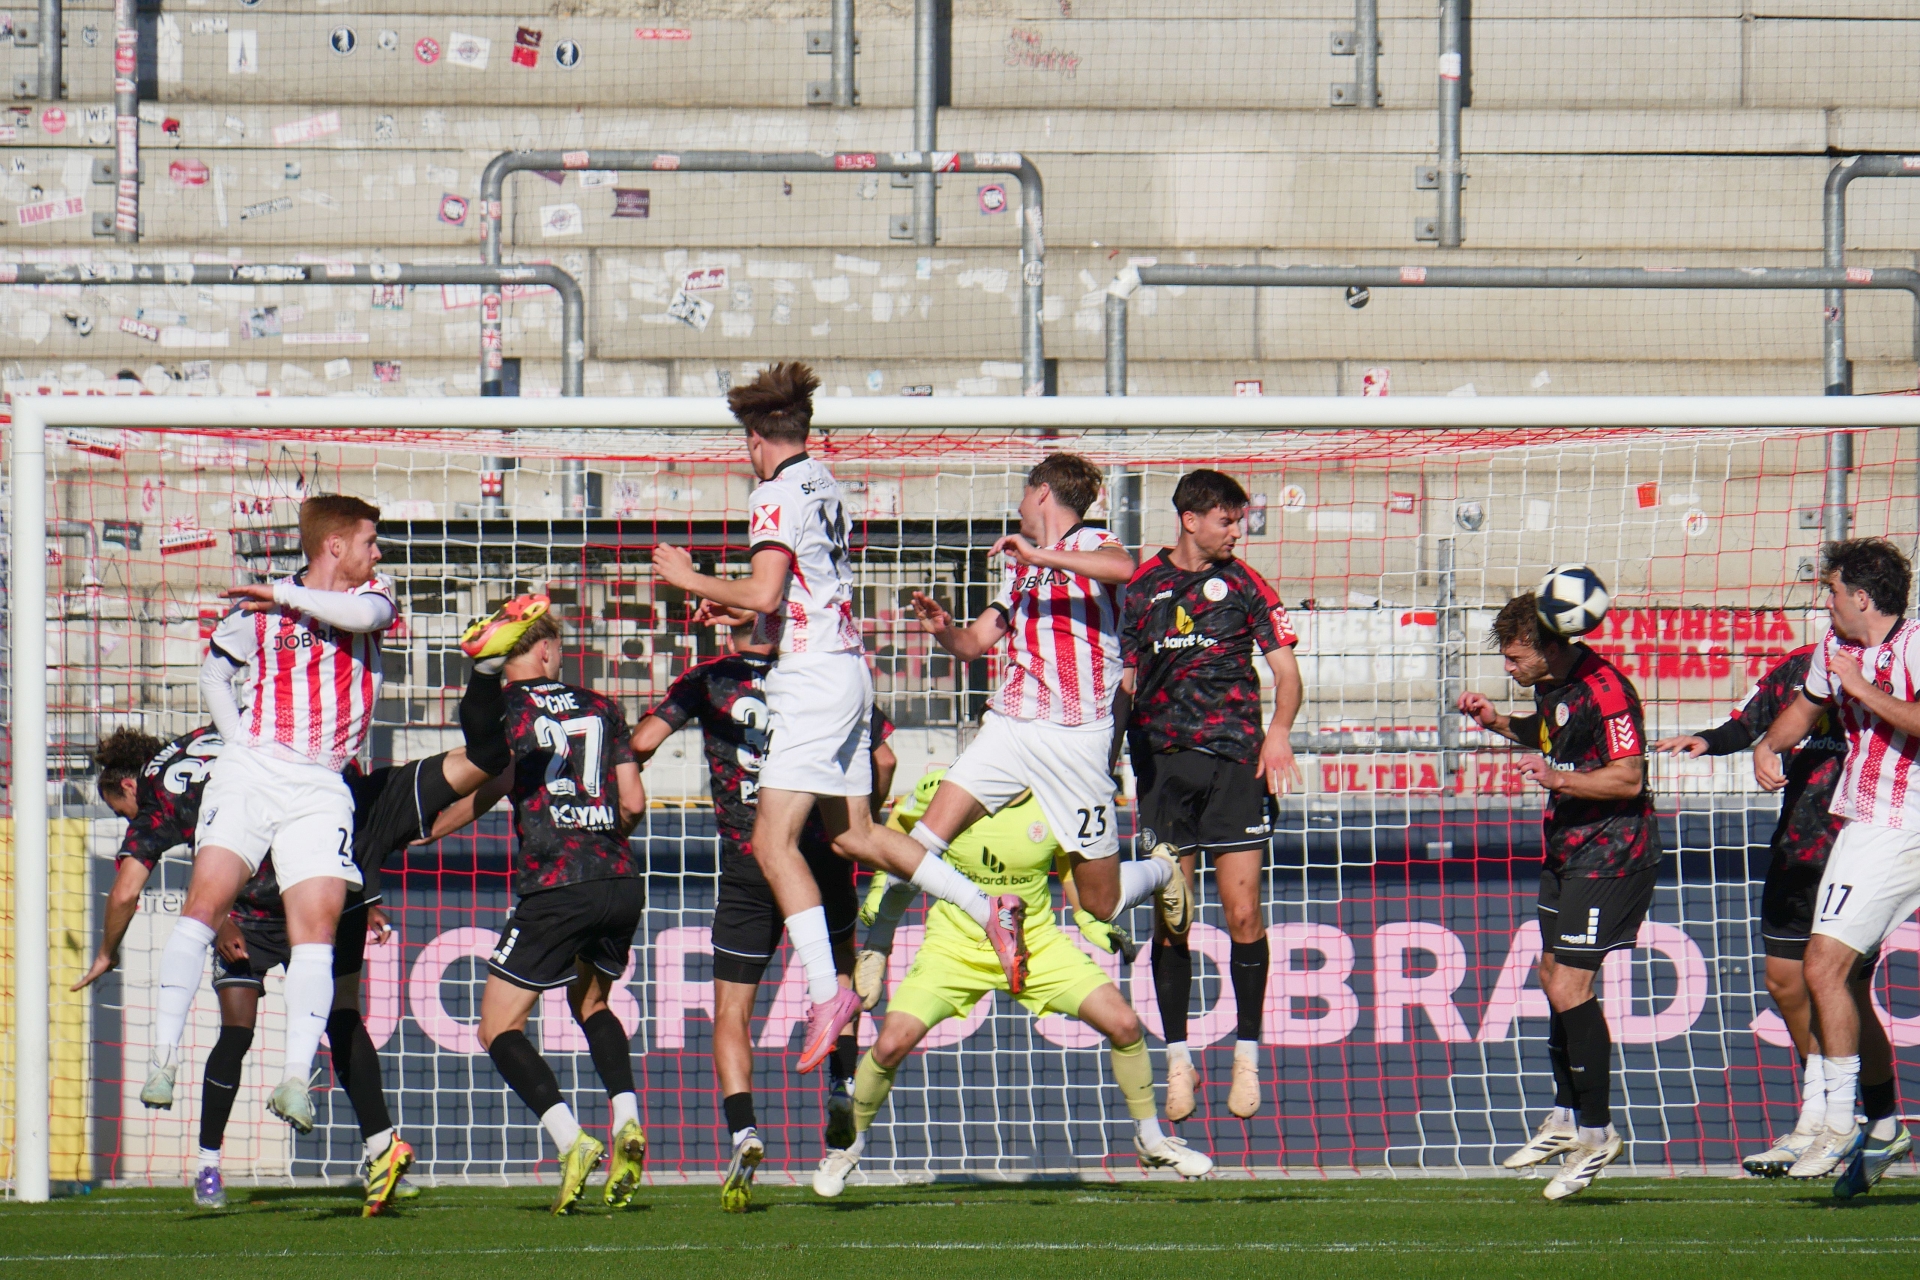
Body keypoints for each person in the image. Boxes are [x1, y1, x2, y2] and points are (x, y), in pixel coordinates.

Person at [652, 362, 1018, 1075]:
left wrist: (689, 576)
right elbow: (795, 595)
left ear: (756, 439)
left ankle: (827, 993)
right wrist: (736, 606)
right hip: (847, 667)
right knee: (854, 835)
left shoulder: (772, 493)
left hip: (813, 679)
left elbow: (766, 591)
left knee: (771, 841)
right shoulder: (823, 482)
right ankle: (985, 908)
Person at [815, 767, 1213, 1197]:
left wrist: (1092, 923)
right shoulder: (944, 790)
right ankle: (847, 1149)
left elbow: (1071, 872)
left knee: (1124, 1024)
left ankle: (1151, 1140)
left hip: (1034, 943)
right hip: (955, 946)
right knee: (891, 1044)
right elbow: (898, 837)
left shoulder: (1057, 796)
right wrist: (880, 917)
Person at [628, 601, 897, 1213]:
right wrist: (858, 820)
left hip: (751, 858)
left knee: (733, 1009)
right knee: (840, 980)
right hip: (821, 853)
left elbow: (643, 741)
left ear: (731, 622)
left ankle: (744, 1131)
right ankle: (841, 1084)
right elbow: (883, 756)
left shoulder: (708, 680)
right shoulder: (814, 671)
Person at [142, 494, 397, 1136]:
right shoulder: (258, 612)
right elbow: (213, 674)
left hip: (322, 781)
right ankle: (162, 1058)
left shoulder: (371, 595)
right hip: (253, 770)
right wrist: (240, 743)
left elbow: (362, 615)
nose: (377, 553)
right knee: (205, 904)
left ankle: (294, 1080)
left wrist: (284, 597)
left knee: (317, 930)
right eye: (369, 541)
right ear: (335, 545)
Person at [1652, 643, 1900, 1186]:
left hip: (1856, 847)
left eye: (1835, 600)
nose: (1829, 608)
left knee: (1845, 988)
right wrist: (1709, 740)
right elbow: (1749, 722)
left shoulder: (1896, 664)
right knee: (1786, 983)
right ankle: (1815, 1117)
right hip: (1797, 846)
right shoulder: (1803, 664)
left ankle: (1881, 1119)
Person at [1458, 593, 1662, 1200]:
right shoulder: (1554, 687)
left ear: (1551, 646)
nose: (1509, 667)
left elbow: (1629, 777)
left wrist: (1559, 779)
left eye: (1515, 657)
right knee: (1552, 975)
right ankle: (1567, 1117)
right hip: (1569, 849)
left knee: (1571, 984)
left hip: (1613, 853)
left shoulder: (1608, 691)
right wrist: (1497, 721)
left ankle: (1598, 1134)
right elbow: (1549, 734)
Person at [1120, 468, 1303, 1122]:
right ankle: (1178, 1061)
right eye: (1227, 520)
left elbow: (1286, 672)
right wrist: (1107, 754)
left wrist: (1277, 733)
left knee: (1244, 914)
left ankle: (1247, 1057)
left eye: (1239, 520)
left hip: (1235, 766)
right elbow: (1127, 680)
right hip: (1163, 770)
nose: (1236, 532)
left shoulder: (1247, 584)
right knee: (1173, 920)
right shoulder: (1142, 588)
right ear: (1191, 519)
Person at [473, 605, 651, 1215]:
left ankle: (570, 1139)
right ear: (546, 649)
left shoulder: (505, 709)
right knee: (592, 1003)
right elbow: (634, 802)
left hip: (556, 883)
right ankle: (626, 1117)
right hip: (619, 880)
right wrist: (604, 833)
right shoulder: (601, 705)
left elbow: (485, 779)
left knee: (498, 1027)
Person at [1754, 538, 1919, 1191]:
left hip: (1905, 824)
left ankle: (1842, 1121)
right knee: (1833, 973)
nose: (1826, 603)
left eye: (1832, 591)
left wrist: (1862, 690)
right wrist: (1769, 745)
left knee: (1823, 968)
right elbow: (1804, 708)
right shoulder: (1835, 649)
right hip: (1859, 824)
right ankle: (1870, 1123)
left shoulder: (1914, 646)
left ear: (1863, 597)